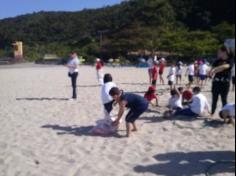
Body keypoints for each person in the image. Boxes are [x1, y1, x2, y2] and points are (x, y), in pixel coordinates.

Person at [210, 46, 234, 116]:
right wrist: (216, 69)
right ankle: (212, 113)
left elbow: (226, 66)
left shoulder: (230, 60)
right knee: (214, 99)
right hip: (216, 82)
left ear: (225, 52)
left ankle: (225, 115)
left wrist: (216, 69)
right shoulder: (217, 60)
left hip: (225, 83)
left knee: (224, 100)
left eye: (219, 52)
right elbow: (213, 70)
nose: (218, 53)